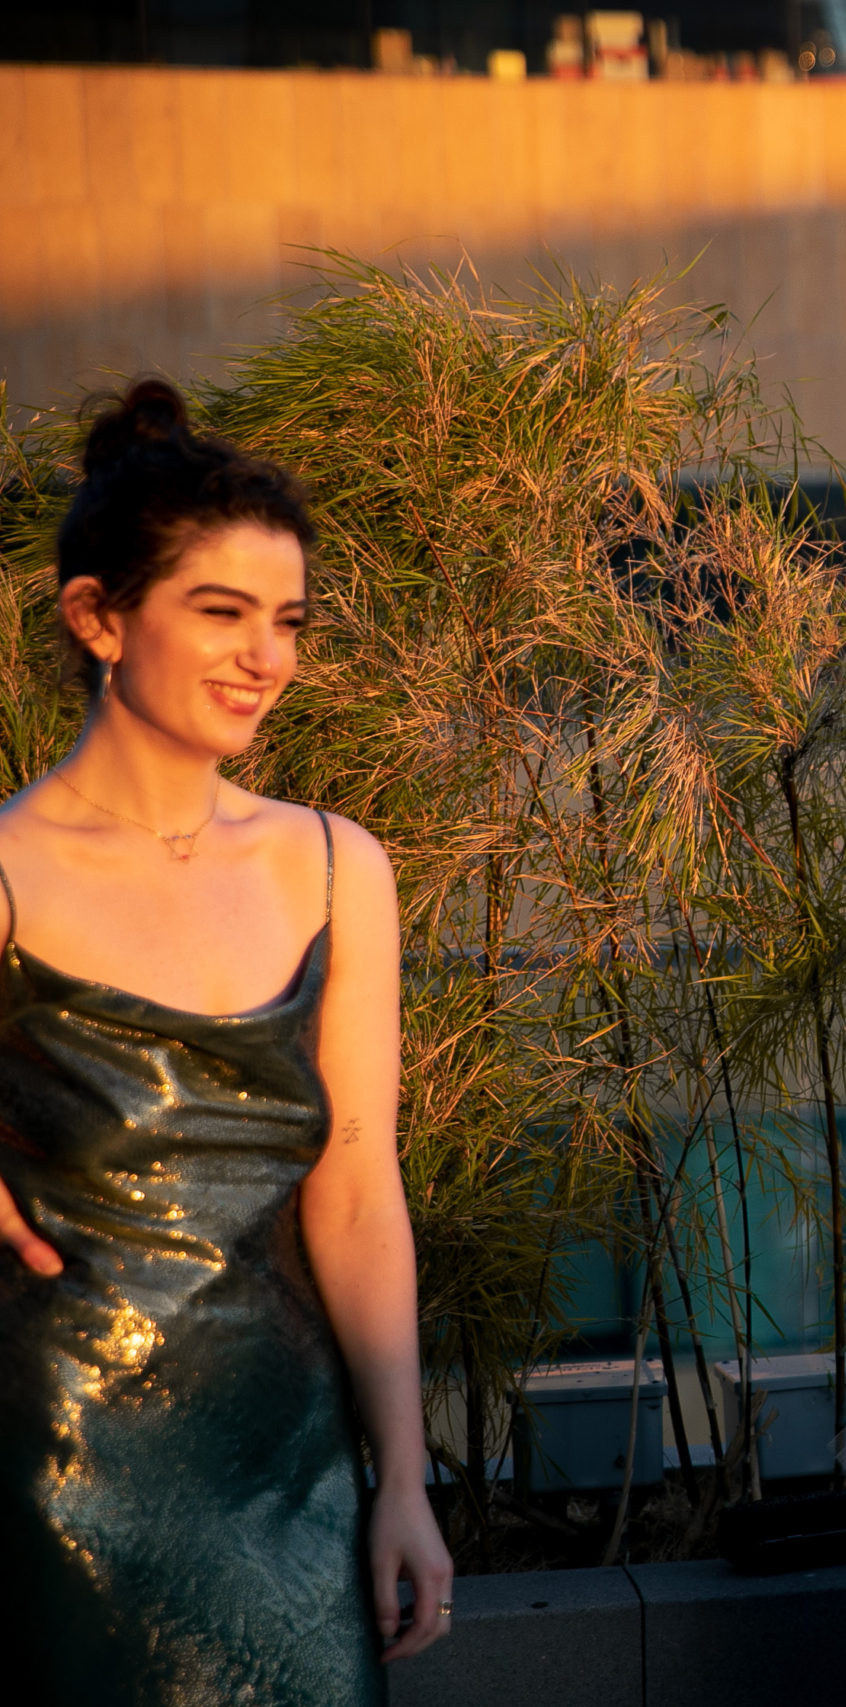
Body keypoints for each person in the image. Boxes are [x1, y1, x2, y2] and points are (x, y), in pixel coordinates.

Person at [0, 381, 452, 1704]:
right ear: (98, 616)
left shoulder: (336, 866)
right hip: (57, 1467)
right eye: (221, 611)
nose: (267, 656)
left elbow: (358, 1194)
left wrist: (405, 1478)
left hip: (292, 1467)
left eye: (288, 620)